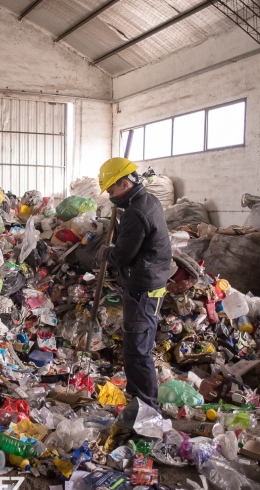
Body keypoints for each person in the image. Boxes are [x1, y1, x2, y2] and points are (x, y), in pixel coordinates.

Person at [97, 158, 171, 409]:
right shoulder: (149, 200)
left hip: (143, 287)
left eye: (111, 190)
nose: (110, 196)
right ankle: (139, 399)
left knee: (137, 351)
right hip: (151, 281)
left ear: (125, 183)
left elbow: (121, 256)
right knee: (138, 345)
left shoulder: (135, 213)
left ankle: (146, 407)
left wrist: (105, 252)